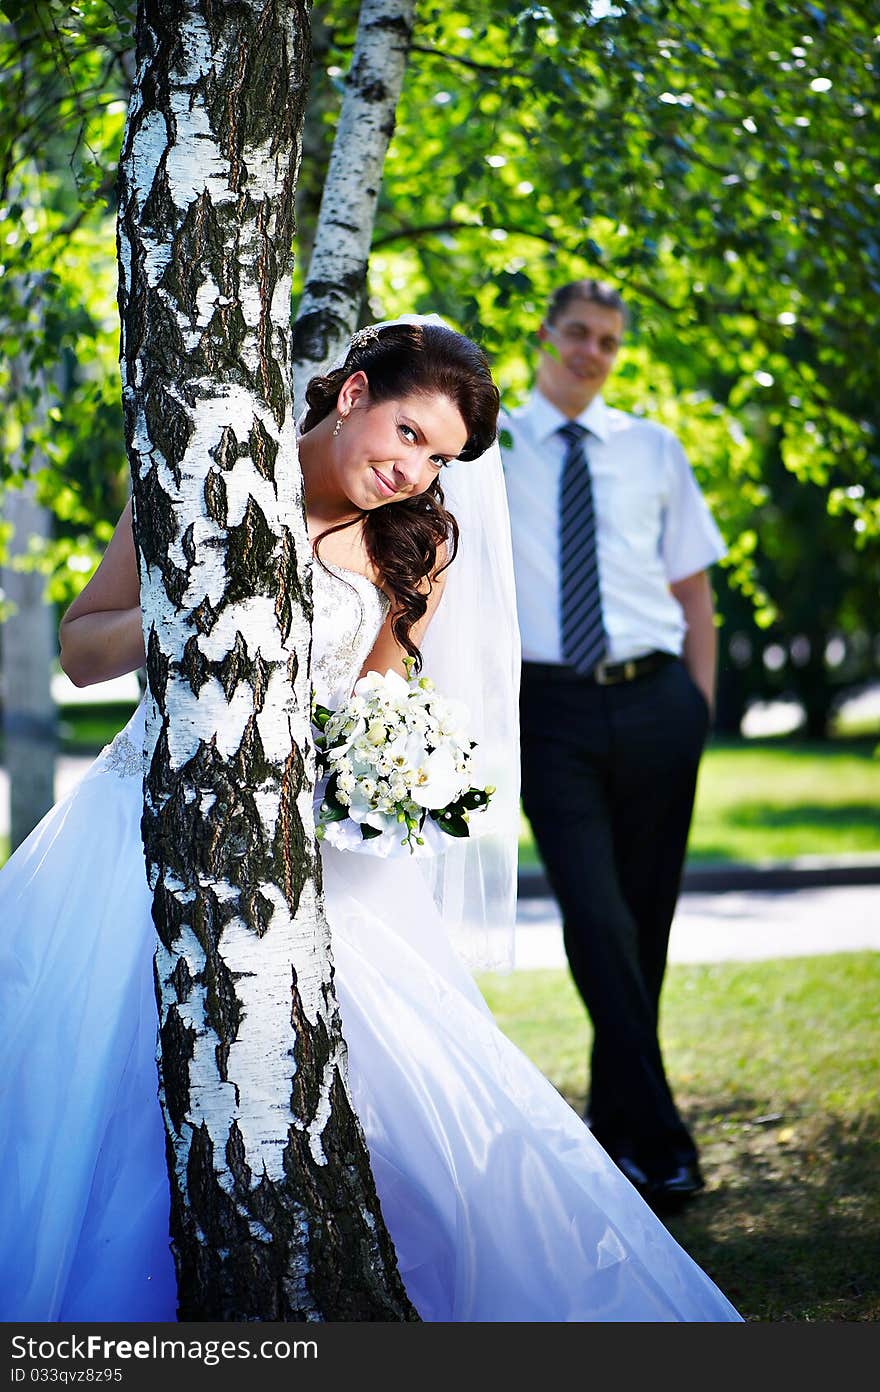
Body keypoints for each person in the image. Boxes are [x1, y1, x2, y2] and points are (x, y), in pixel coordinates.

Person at [0, 317, 740, 1322]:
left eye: (438, 458)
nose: (414, 472)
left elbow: (378, 707)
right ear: (351, 394)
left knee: (379, 1121)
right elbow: (84, 650)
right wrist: (200, 600)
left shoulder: (416, 542)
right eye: (407, 435)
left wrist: (383, 781)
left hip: (306, 867)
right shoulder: (204, 479)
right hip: (138, 837)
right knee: (103, 1104)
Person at [501, 281, 727, 1210]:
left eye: (609, 341)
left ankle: (614, 1129)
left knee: (646, 929)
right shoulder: (488, 450)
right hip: (547, 711)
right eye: (579, 334)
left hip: (656, 704)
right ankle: (665, 1138)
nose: (593, 351)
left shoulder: (654, 449)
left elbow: (694, 593)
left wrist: (698, 710)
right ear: (545, 336)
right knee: (596, 921)